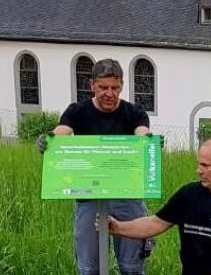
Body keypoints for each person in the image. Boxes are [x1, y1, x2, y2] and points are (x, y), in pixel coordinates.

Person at [37, 58, 153, 275]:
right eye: (103, 87)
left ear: (121, 86)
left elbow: (142, 132)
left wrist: (149, 141)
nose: (109, 93)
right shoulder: (77, 111)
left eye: (115, 88)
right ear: (92, 86)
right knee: (89, 269)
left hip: (127, 196)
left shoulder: (134, 112)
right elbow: (62, 130)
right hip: (89, 196)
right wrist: (50, 139)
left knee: (131, 267)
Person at [108, 138, 211, 275]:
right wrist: (118, 227)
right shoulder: (189, 194)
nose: (199, 171)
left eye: (205, 165)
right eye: (198, 164)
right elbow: (157, 222)